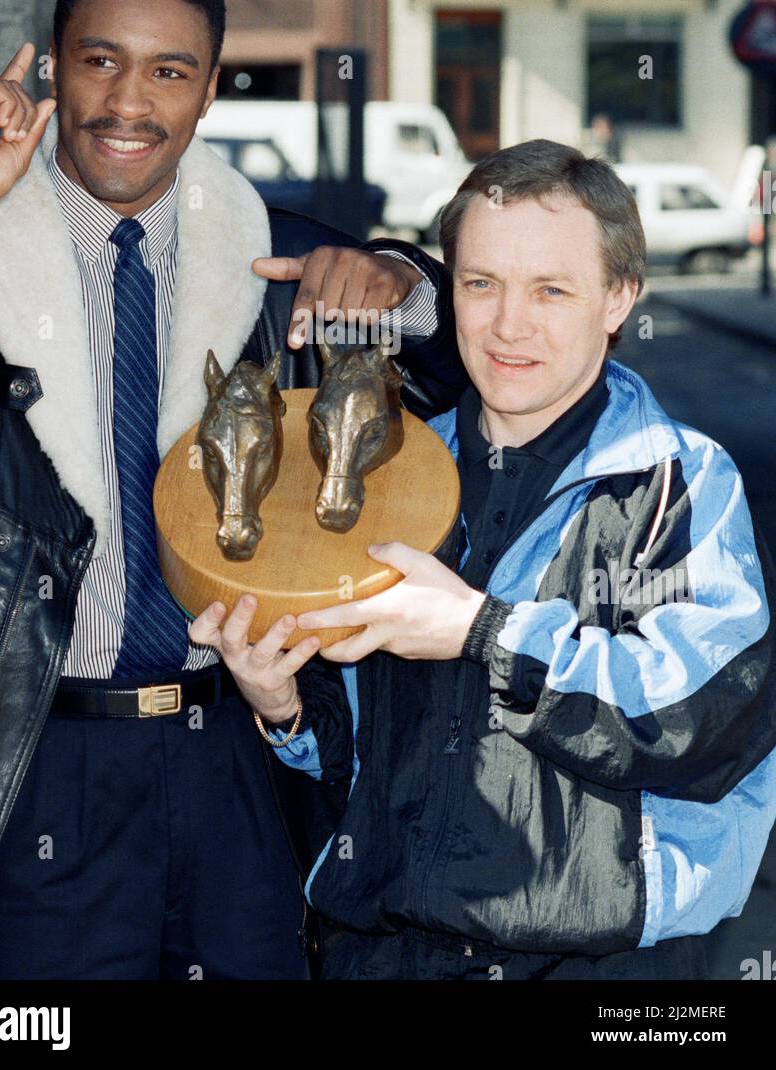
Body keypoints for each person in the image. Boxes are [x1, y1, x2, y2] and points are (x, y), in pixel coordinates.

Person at [0, 0, 467, 979]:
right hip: (34, 755)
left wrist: (400, 280)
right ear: (51, 60)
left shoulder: (269, 261)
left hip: (235, 759)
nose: (129, 103)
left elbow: (451, 370)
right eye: (99, 60)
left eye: (168, 71)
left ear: (209, 88)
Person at [194, 139, 776, 981]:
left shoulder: (680, 483)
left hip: (595, 965)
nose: (509, 324)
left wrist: (482, 632)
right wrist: (283, 708)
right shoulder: (381, 475)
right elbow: (355, 752)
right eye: (481, 284)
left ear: (618, 299)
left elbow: (700, 719)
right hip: (381, 957)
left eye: (551, 289)